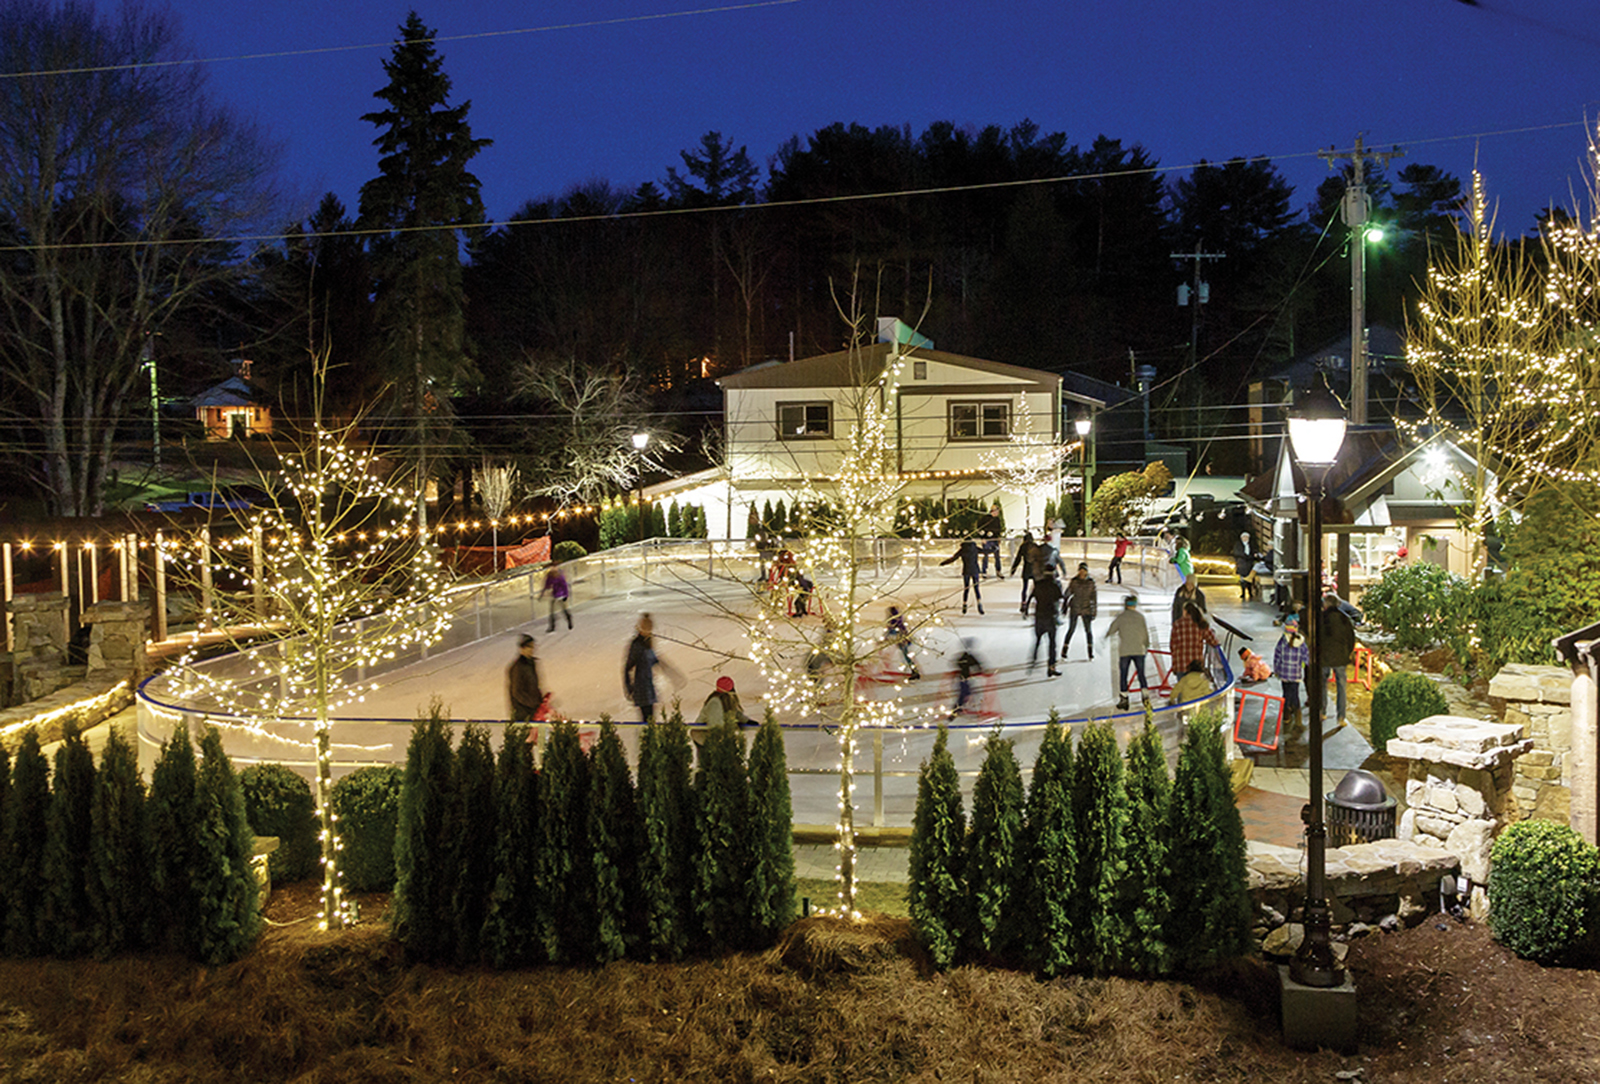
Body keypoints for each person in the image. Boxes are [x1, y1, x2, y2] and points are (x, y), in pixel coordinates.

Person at [623, 613, 678, 723]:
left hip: (648, 686)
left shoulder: (647, 643)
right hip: (641, 688)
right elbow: (628, 667)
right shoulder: (637, 645)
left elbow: (653, 660)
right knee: (647, 718)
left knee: (649, 718)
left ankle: (648, 736)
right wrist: (629, 687)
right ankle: (647, 738)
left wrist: (671, 672)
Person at [1320, 592, 1358, 729]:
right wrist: (1347, 653)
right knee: (1341, 687)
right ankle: (1341, 717)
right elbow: (1351, 639)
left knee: (1322, 685)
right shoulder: (1345, 618)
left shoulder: (1321, 618)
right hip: (1341, 657)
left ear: (1326, 604)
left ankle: (1322, 711)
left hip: (1324, 657)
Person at [1105, 595, 1150, 710]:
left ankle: (1124, 700)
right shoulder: (1140, 617)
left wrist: (1106, 635)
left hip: (1125, 651)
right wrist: (1146, 645)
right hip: (1139, 650)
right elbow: (1145, 634)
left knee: (1123, 675)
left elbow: (1112, 630)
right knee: (1141, 674)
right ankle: (1145, 697)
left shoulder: (1121, 617)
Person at [1272, 614, 1309, 725]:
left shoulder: (1282, 642)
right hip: (1295, 674)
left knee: (1286, 693)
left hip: (1284, 674)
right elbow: (1306, 657)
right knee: (1295, 693)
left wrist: (1277, 670)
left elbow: (1277, 657)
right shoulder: (1301, 642)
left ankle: (1286, 714)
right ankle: (1297, 714)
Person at [1169, 601, 1219, 677]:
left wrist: (1175, 665)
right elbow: (1213, 641)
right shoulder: (1200, 624)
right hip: (1196, 666)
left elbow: (1173, 645)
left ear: (1185, 611)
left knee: (1183, 687)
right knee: (1195, 687)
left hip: (1181, 664)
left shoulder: (1177, 624)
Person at [1029, 568, 1063, 676]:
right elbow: (1059, 597)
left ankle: (1034, 660)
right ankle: (1051, 667)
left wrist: (1026, 610)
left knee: (1038, 640)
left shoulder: (1039, 584)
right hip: (1050, 617)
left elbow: (1031, 597)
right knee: (1052, 643)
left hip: (1039, 616)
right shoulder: (1054, 585)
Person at [1062, 561, 1098, 662]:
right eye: (1080, 571)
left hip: (1086, 609)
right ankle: (1064, 650)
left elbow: (1094, 598)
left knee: (1088, 631)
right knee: (1071, 629)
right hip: (1075, 607)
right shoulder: (1074, 581)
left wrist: (1094, 610)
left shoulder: (1090, 582)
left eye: (1084, 571)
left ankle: (1090, 652)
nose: (1082, 573)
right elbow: (1067, 593)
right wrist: (1065, 605)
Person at [940, 539, 984, 614]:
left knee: (966, 588)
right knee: (976, 588)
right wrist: (994, 549)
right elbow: (985, 551)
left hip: (966, 570)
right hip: (975, 570)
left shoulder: (962, 550)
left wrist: (944, 563)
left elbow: (953, 558)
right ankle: (979, 603)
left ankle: (964, 604)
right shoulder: (975, 548)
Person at [508, 633, 544, 721]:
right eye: (530, 647)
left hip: (533, 710)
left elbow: (534, 686)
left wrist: (540, 700)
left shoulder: (531, 664)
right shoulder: (518, 667)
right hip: (523, 713)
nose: (532, 650)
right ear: (522, 648)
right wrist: (533, 704)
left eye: (533, 647)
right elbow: (517, 692)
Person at [885, 605, 920, 679]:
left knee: (906, 656)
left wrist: (886, 636)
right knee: (906, 656)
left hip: (902, 640)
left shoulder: (893, 620)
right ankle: (913, 670)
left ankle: (914, 671)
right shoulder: (899, 619)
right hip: (903, 639)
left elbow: (892, 629)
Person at [951, 638, 984, 716]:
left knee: (965, 694)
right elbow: (977, 665)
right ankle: (956, 710)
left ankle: (958, 709)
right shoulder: (968, 657)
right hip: (964, 679)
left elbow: (957, 663)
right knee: (965, 694)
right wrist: (980, 670)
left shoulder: (963, 656)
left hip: (963, 678)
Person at [1010, 530, 1039, 614]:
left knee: (1025, 588)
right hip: (1035, 569)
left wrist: (1013, 569)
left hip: (1026, 569)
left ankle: (1023, 603)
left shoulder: (1023, 547)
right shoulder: (1036, 546)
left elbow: (1018, 558)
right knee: (1036, 587)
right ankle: (1037, 602)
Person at [539, 562, 572, 632]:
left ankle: (569, 620)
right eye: (551, 567)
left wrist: (566, 595)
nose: (552, 569)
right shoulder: (550, 575)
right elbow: (547, 585)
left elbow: (564, 586)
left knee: (564, 609)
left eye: (554, 567)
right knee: (552, 611)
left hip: (561, 595)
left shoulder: (560, 576)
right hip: (554, 594)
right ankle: (552, 626)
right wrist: (542, 594)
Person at [978, 503, 1005, 578]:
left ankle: (998, 570)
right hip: (987, 540)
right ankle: (984, 571)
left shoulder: (997, 519)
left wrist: (999, 537)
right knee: (986, 555)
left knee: (997, 556)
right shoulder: (985, 519)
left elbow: (999, 529)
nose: (997, 513)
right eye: (996, 511)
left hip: (995, 540)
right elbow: (980, 529)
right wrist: (982, 537)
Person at [1233, 531, 1256, 601]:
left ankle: (1250, 592)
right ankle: (1243, 593)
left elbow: (1254, 551)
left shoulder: (1251, 545)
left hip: (1249, 563)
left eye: (1246, 537)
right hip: (1242, 563)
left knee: (1249, 578)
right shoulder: (1238, 545)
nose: (1245, 538)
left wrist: (1253, 556)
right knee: (1242, 579)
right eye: (1244, 537)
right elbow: (1236, 553)